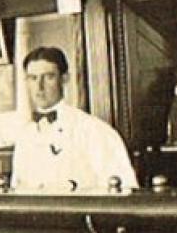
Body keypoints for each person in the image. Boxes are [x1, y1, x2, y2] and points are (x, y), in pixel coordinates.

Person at [10, 46, 137, 193]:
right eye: (33, 78)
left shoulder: (94, 130)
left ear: (64, 79)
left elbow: (124, 190)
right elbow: (18, 188)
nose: (39, 86)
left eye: (48, 77)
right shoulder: (25, 136)